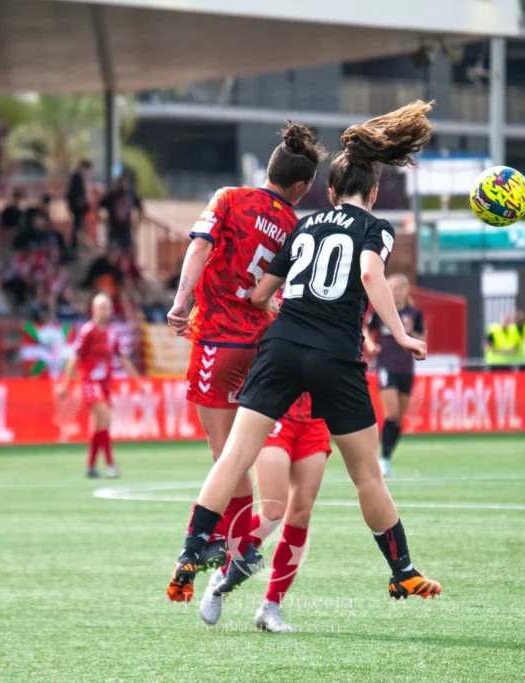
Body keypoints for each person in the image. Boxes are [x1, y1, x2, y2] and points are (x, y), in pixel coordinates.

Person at [166, 101, 442, 605]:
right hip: (336, 355)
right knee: (366, 474)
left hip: (281, 344)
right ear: (373, 193)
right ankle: (401, 569)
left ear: (330, 192)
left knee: (234, 455)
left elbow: (258, 294)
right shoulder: (376, 229)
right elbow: (369, 275)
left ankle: (190, 549)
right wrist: (400, 334)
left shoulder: (303, 227)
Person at [165, 122, 325, 577]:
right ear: (299, 187)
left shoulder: (230, 198)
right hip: (262, 346)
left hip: (220, 341)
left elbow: (199, 249)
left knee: (225, 454)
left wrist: (181, 303)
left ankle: (227, 542)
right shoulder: (295, 227)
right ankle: (239, 544)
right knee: (238, 450)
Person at [199, 393, 331, 632]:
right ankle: (223, 575)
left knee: (301, 515)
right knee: (272, 511)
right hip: (273, 411)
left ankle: (270, 607)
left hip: (314, 417)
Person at [58, 293, 140, 478]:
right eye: (102, 307)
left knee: (98, 425)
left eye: (108, 306)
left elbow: (123, 358)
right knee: (106, 418)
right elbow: (75, 357)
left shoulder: (112, 333)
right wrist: (65, 384)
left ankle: (91, 466)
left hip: (104, 383)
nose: (106, 310)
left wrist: (138, 380)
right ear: (94, 309)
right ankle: (110, 464)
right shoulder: (88, 331)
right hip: (90, 381)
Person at [363, 273, 425, 477]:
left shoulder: (414, 314)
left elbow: (422, 338)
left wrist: (410, 333)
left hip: (406, 368)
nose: (396, 291)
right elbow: (365, 330)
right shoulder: (380, 312)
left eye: (400, 288)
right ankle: (381, 459)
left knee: (398, 419)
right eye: (393, 287)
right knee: (391, 413)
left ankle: (387, 457)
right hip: (386, 365)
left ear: (406, 290)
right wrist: (372, 346)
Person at [98, 175, 143, 253]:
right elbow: (100, 206)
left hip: (126, 230)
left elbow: (140, 208)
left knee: (128, 253)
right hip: (114, 229)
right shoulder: (112, 195)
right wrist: (103, 220)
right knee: (112, 254)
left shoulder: (130, 194)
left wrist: (137, 223)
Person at [66, 160, 93, 252]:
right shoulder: (77, 177)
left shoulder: (78, 176)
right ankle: (75, 245)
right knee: (77, 226)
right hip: (77, 207)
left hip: (78, 206)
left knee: (78, 225)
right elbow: (76, 193)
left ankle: (77, 245)